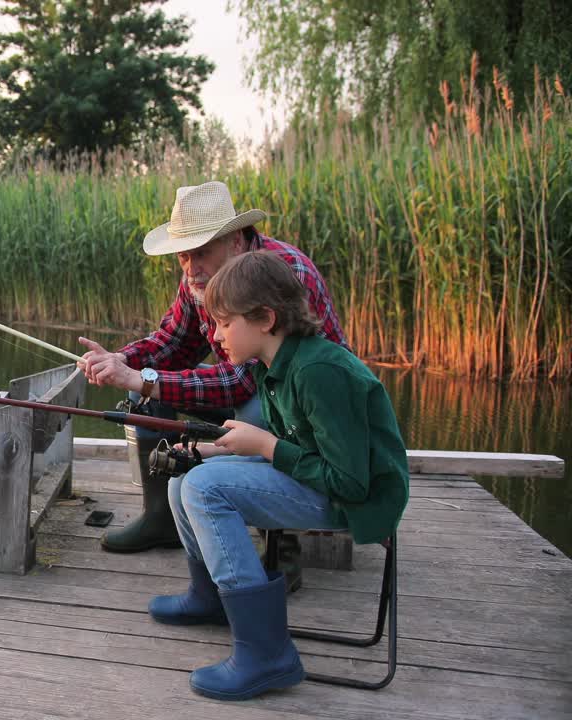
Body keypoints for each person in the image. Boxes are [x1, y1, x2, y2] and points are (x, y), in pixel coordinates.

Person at [148, 250, 409, 700]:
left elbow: (350, 481)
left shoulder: (319, 371)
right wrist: (204, 450)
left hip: (356, 501)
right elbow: (291, 444)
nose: (215, 335)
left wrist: (265, 446)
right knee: (184, 476)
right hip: (320, 479)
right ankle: (210, 596)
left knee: (206, 489)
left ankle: (267, 653)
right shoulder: (275, 367)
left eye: (225, 324)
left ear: (265, 318)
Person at [78, 181, 349, 590]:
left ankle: (282, 544)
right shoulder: (201, 280)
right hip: (250, 393)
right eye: (183, 255)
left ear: (236, 242)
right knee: (142, 392)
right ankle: (163, 519)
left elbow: (242, 382)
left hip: (306, 418)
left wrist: (144, 378)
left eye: (200, 252)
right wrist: (121, 360)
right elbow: (170, 342)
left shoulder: (281, 275)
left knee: (255, 410)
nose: (190, 267)